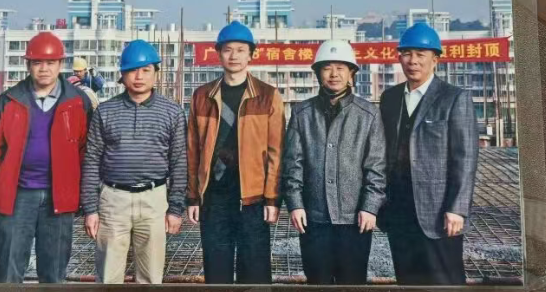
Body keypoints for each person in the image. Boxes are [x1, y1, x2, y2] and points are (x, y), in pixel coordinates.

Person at [0, 32, 93, 283]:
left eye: (50, 62)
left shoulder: (77, 102)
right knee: (9, 271)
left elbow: (87, 152)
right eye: (37, 62)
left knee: (53, 274)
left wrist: (87, 198)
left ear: (60, 64)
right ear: (28, 65)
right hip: (17, 196)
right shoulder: (10, 101)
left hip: (59, 197)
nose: (44, 69)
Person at [378, 23, 479, 285]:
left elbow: (465, 158)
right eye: (407, 54)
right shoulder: (390, 98)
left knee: (444, 280)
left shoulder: (453, 98)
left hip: (438, 212)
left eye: (420, 54)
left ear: (435, 59)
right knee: (407, 279)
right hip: (399, 211)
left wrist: (457, 209)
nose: (413, 61)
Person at [186, 20, 285, 284]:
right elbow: (192, 150)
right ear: (218, 53)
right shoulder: (202, 96)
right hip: (214, 197)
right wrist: (193, 197)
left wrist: (273, 199)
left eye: (241, 50)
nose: (234, 56)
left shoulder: (267, 96)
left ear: (251, 54)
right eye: (228, 49)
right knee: (216, 272)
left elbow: (276, 152)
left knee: (255, 273)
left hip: (253, 199)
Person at [81, 39, 187, 284]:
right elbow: (92, 161)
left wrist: (175, 209)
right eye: (132, 70)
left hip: (154, 200)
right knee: (108, 277)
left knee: (151, 277)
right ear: (122, 74)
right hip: (112, 200)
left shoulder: (172, 112)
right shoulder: (105, 111)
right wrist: (90, 209)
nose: (139, 77)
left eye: (146, 70)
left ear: (156, 73)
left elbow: (179, 163)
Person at [282, 40, 386, 285]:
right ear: (318, 73)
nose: (334, 74)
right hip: (313, 218)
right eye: (327, 68)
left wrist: (370, 207)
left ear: (351, 74)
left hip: (355, 219)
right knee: (317, 280)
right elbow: (292, 164)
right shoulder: (302, 113)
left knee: (352, 281)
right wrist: (296, 205)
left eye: (341, 68)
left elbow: (377, 167)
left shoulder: (368, 114)